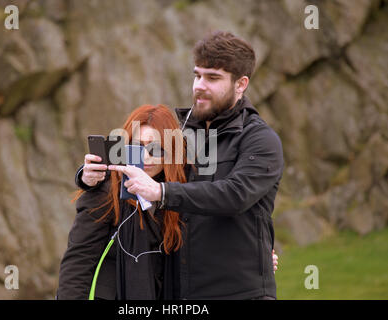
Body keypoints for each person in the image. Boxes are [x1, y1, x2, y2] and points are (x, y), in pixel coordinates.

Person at [108, 31, 284, 299]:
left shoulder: (260, 140)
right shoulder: (179, 134)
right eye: (197, 75)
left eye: (213, 78)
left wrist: (162, 193)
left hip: (240, 293)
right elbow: (135, 167)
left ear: (241, 84)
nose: (199, 85)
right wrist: (87, 176)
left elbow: (234, 195)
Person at [57, 104, 187, 299]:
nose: (146, 157)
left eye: (156, 148)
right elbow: (78, 260)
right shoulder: (108, 189)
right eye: (137, 147)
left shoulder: (176, 194)